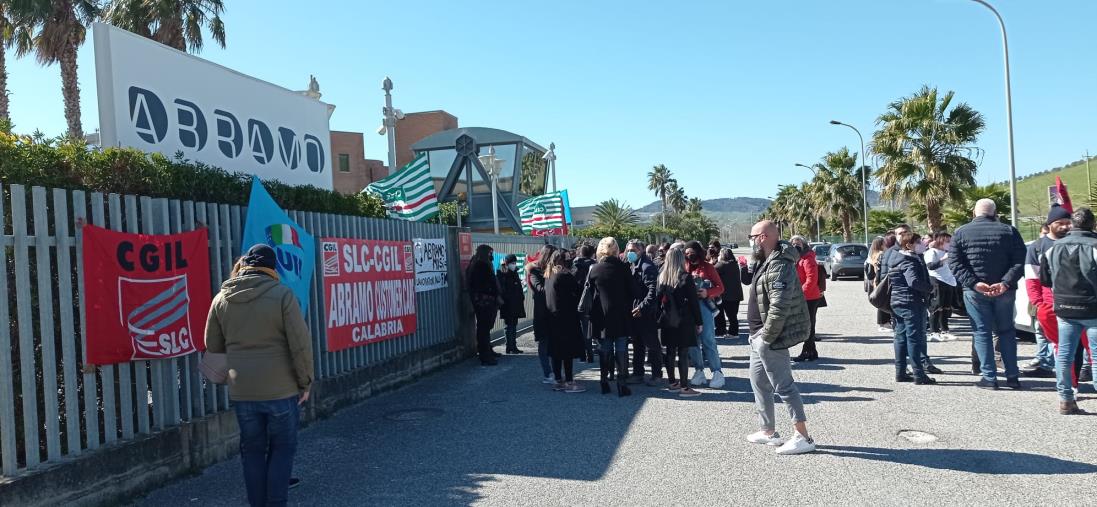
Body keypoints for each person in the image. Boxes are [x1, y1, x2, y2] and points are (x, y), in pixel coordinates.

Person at [205, 244, 314, 506]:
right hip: (281, 389)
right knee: (282, 448)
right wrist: (305, 383)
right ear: (272, 268)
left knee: (252, 451)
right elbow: (300, 344)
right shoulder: (282, 295)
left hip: (243, 390)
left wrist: (228, 370)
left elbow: (212, 344)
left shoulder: (222, 298)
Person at [742, 221, 816, 455]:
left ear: (763, 237)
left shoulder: (780, 263)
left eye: (751, 236)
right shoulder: (765, 260)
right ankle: (768, 431)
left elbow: (779, 304)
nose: (750, 240)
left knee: (784, 385)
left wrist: (767, 336)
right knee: (759, 382)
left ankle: (803, 437)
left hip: (768, 337)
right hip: (757, 336)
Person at [949, 198, 1027, 390]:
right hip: (1004, 291)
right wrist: (1005, 283)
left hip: (975, 291)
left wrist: (975, 283)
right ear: (995, 213)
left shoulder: (960, 232)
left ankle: (989, 377)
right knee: (1006, 331)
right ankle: (1012, 376)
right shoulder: (1009, 231)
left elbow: (955, 263)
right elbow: (1019, 260)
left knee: (981, 332)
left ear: (974, 213)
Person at [1041, 207, 1097, 414]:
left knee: (1064, 354)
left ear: (1073, 224)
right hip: (1092, 307)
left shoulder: (1053, 248)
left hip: (1064, 307)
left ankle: (1065, 399)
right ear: (1093, 224)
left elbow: (1045, 280)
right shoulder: (1095, 245)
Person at [584, 237, 642, 396]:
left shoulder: (594, 269)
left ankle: (604, 381)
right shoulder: (623, 268)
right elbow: (635, 292)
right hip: (622, 313)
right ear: (617, 250)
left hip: (602, 314)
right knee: (622, 347)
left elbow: (590, 292)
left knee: (605, 348)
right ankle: (622, 383)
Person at [1023, 206, 1072, 379]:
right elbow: (1031, 279)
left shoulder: (1075, 242)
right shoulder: (1037, 247)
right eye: (1060, 223)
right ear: (1050, 224)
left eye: (1068, 223)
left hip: (1079, 305)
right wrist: (1039, 303)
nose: (1065, 227)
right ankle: (1067, 386)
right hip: (1050, 305)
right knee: (1061, 346)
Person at [888, 232, 936, 384]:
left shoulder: (894, 258)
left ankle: (900, 372)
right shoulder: (910, 260)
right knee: (914, 338)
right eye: (918, 242)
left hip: (897, 301)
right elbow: (913, 282)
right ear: (909, 245)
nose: (922, 244)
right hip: (911, 302)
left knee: (900, 337)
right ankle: (919, 374)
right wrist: (930, 288)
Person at [658, 248, 704, 397]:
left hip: (666, 320)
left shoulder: (661, 277)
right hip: (684, 320)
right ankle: (685, 387)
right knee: (683, 353)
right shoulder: (685, 277)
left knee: (670, 352)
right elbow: (693, 302)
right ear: (681, 259)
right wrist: (699, 321)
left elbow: (657, 301)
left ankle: (672, 383)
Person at [684, 241, 727, 388]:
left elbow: (720, 287)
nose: (689, 255)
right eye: (687, 253)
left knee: (708, 340)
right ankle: (699, 370)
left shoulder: (708, 267)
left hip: (704, 307)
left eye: (692, 252)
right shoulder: (684, 267)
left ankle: (717, 372)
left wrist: (707, 292)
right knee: (693, 342)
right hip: (688, 308)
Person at [545, 249, 587, 393]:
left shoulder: (549, 274)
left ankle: (558, 380)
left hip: (553, 317)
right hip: (566, 317)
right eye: (567, 258)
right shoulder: (564, 275)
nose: (570, 260)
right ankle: (569, 381)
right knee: (567, 351)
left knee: (556, 351)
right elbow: (578, 290)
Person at [625, 239, 663, 386]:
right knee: (637, 344)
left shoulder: (647, 267)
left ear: (641, 251)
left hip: (646, 313)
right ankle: (638, 373)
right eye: (628, 250)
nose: (630, 253)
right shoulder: (632, 265)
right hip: (635, 312)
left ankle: (657, 374)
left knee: (652, 345)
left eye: (633, 251)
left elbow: (653, 292)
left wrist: (642, 307)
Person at [466, 244, 501, 366]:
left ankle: (488, 351)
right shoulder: (480, 265)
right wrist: (494, 293)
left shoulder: (480, 263)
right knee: (483, 328)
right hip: (484, 301)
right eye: (490, 253)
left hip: (485, 300)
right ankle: (485, 356)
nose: (491, 255)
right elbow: (484, 284)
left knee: (485, 328)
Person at [789, 236, 823, 362]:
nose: (795, 245)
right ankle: (811, 351)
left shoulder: (808, 258)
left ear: (803, 244)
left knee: (808, 324)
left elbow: (811, 279)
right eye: (792, 243)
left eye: (798, 243)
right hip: (804, 296)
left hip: (809, 297)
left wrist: (801, 294)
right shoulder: (797, 258)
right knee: (808, 324)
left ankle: (808, 351)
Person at [529, 244, 558, 382]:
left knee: (555, 343)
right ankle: (548, 373)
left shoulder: (555, 271)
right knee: (544, 343)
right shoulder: (535, 272)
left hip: (555, 312)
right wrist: (553, 283)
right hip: (542, 313)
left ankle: (557, 371)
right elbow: (540, 290)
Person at [925, 232, 958, 342]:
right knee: (936, 307)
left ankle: (944, 330)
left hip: (948, 281)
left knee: (946, 307)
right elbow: (930, 266)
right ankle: (933, 331)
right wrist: (943, 259)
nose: (949, 244)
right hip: (936, 280)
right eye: (947, 241)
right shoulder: (932, 252)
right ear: (940, 241)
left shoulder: (946, 252)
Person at [497, 253, 526, 355]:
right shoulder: (502, 273)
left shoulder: (515, 272)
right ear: (507, 263)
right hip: (507, 304)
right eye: (512, 263)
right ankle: (509, 346)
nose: (514, 264)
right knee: (509, 326)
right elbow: (502, 289)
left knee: (514, 325)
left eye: (515, 262)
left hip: (516, 303)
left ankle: (513, 346)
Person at [574, 243, 597, 363]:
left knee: (579, 330)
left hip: (576, 301)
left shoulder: (574, 266)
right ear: (593, 253)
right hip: (591, 301)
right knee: (588, 328)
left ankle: (582, 354)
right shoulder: (595, 266)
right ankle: (590, 354)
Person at [714, 248, 744, 339]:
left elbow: (712, 270)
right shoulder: (734, 264)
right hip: (736, 294)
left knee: (720, 314)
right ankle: (733, 332)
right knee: (733, 316)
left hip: (725, 295)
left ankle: (722, 331)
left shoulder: (721, 265)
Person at [867, 234, 893, 332]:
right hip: (880, 280)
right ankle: (883, 323)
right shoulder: (881, 254)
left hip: (876, 280)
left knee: (882, 300)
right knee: (883, 301)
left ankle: (885, 323)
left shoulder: (874, 254)